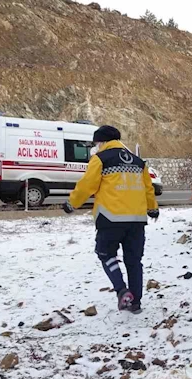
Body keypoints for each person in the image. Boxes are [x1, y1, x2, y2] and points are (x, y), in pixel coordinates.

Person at [63, 125, 159, 314]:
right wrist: (152, 209)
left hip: (110, 218)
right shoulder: (139, 162)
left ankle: (122, 290)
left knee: (105, 253)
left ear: (102, 142)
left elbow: (87, 186)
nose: (95, 147)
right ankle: (135, 302)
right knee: (134, 261)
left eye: (96, 143)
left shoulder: (100, 159)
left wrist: (72, 203)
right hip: (137, 220)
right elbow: (149, 188)